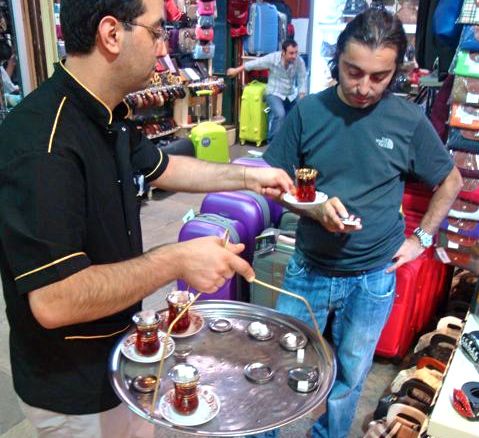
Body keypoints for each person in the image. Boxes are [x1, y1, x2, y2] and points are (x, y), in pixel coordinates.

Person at [0, 1, 294, 437]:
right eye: (157, 31)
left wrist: (252, 178)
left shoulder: (108, 111)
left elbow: (165, 167)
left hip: (122, 359)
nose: (163, 47)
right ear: (112, 34)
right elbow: (54, 300)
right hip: (72, 387)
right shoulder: (44, 145)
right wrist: (174, 261)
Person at [261, 9, 462, 438]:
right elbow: (272, 184)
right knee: (278, 361)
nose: (364, 87)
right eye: (354, 72)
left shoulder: (407, 121)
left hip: (373, 277)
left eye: (378, 76)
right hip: (308, 268)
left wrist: (421, 239)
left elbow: (451, 180)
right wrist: (312, 207)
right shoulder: (308, 112)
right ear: (338, 60)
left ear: (395, 72)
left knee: (350, 375)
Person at [226, 39, 307, 143]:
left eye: (296, 52)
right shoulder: (273, 58)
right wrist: (236, 70)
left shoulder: (298, 61)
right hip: (274, 93)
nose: (294, 56)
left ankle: (291, 142)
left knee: (299, 113)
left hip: (290, 94)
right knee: (280, 114)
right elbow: (255, 63)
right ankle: (273, 143)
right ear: (283, 52)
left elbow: (302, 78)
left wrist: (302, 95)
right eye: (291, 53)